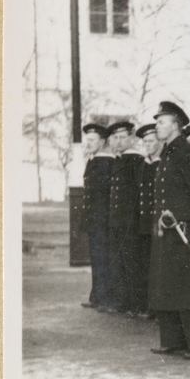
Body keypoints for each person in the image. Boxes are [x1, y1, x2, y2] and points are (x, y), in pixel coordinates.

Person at [148, 101, 190, 360]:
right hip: (168, 231)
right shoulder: (167, 152)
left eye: (161, 122)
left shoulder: (187, 152)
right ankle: (173, 341)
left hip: (183, 230)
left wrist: (186, 221)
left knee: (189, 288)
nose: (157, 126)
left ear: (176, 124)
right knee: (166, 285)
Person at [106, 121, 145, 316]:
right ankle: (123, 301)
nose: (119, 141)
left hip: (130, 221)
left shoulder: (136, 161)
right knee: (118, 262)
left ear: (131, 139)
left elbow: (138, 194)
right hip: (117, 221)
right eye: (115, 138)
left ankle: (136, 304)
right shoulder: (118, 160)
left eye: (123, 137)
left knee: (132, 263)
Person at [79, 123, 115, 311]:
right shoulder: (94, 160)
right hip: (95, 220)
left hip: (102, 220)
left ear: (102, 142)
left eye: (92, 140)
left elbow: (104, 195)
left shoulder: (105, 162)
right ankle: (97, 296)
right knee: (97, 258)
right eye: (87, 139)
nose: (88, 143)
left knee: (103, 259)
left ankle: (105, 298)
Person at [134, 122, 161, 318]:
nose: (148, 145)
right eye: (145, 142)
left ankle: (158, 308)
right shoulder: (144, 164)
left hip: (158, 223)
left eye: (152, 141)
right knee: (146, 265)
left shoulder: (162, 163)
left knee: (159, 267)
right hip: (145, 223)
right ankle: (148, 305)